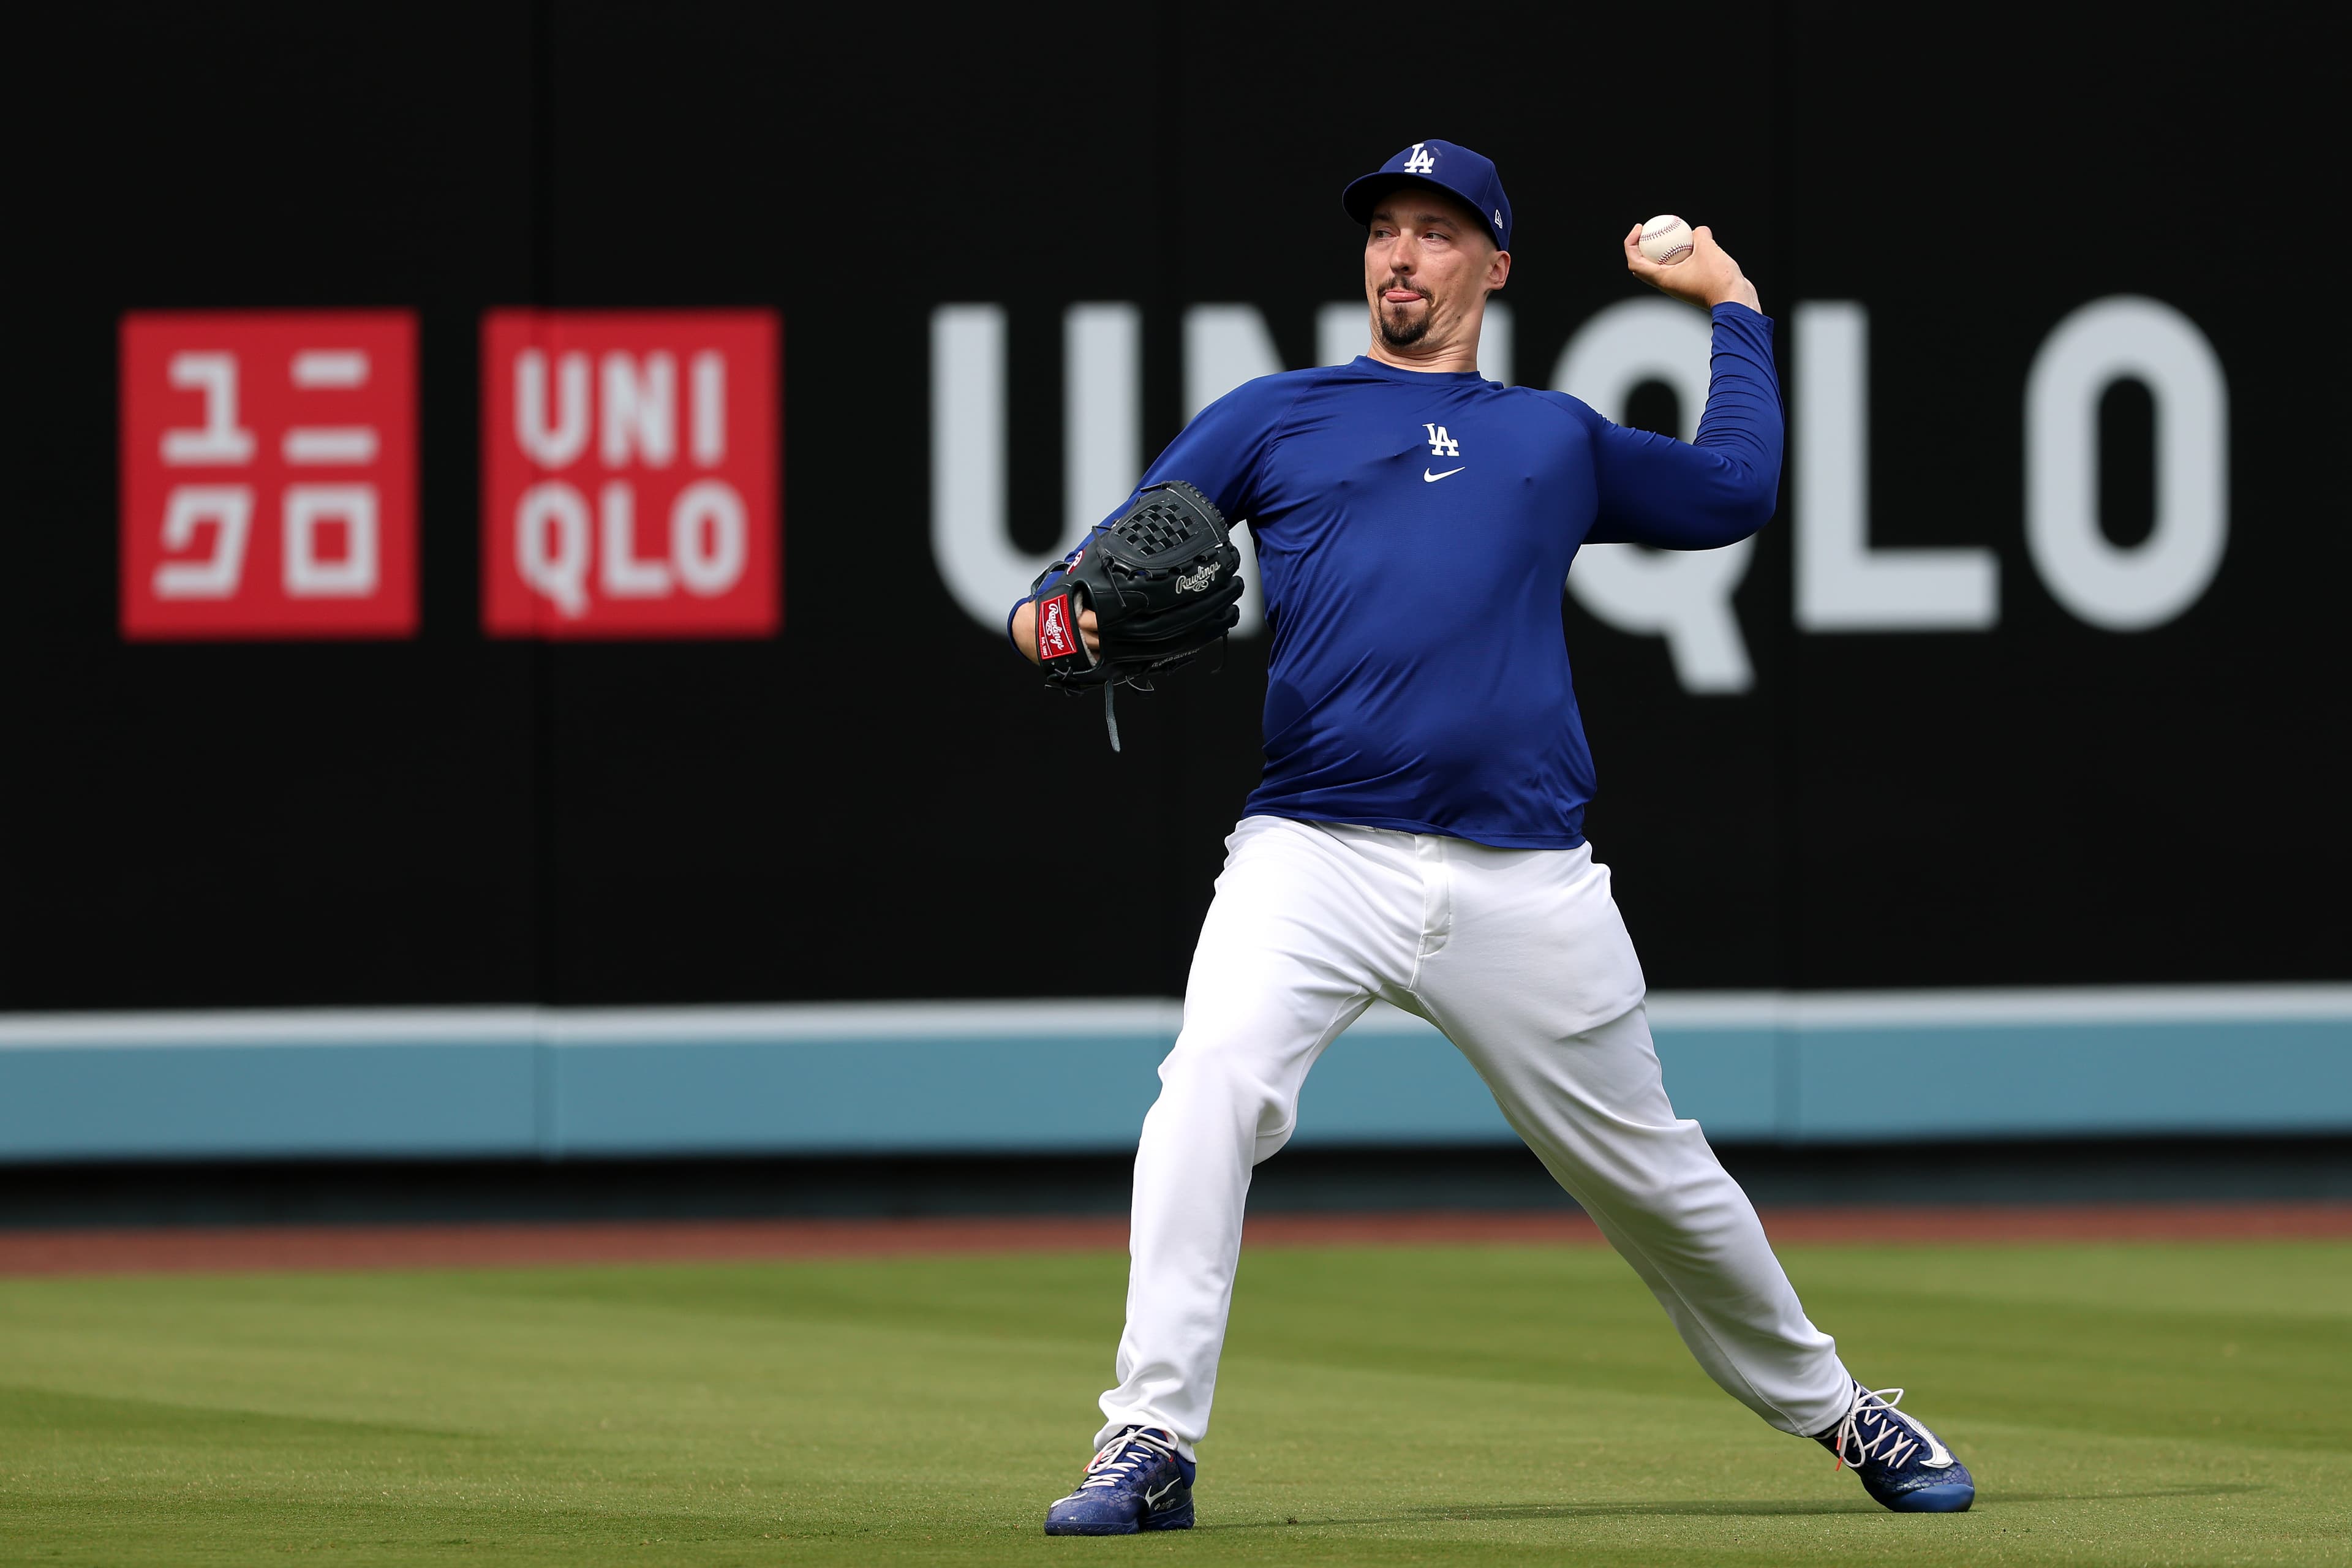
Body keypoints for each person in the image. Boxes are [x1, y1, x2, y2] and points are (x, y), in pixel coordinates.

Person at [1006, 138, 1974, 1536]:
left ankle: (1835, 1407)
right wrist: (1060, 609)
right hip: (1314, 853)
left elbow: (1736, 490)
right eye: (1386, 230)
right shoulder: (1277, 415)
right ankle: (1147, 1439)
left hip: (1525, 873)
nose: (1403, 254)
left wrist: (1736, 306)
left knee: (1654, 1168)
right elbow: (1098, 564)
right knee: (1205, 1087)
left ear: (1495, 263)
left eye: (1438, 232)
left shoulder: (1556, 437)